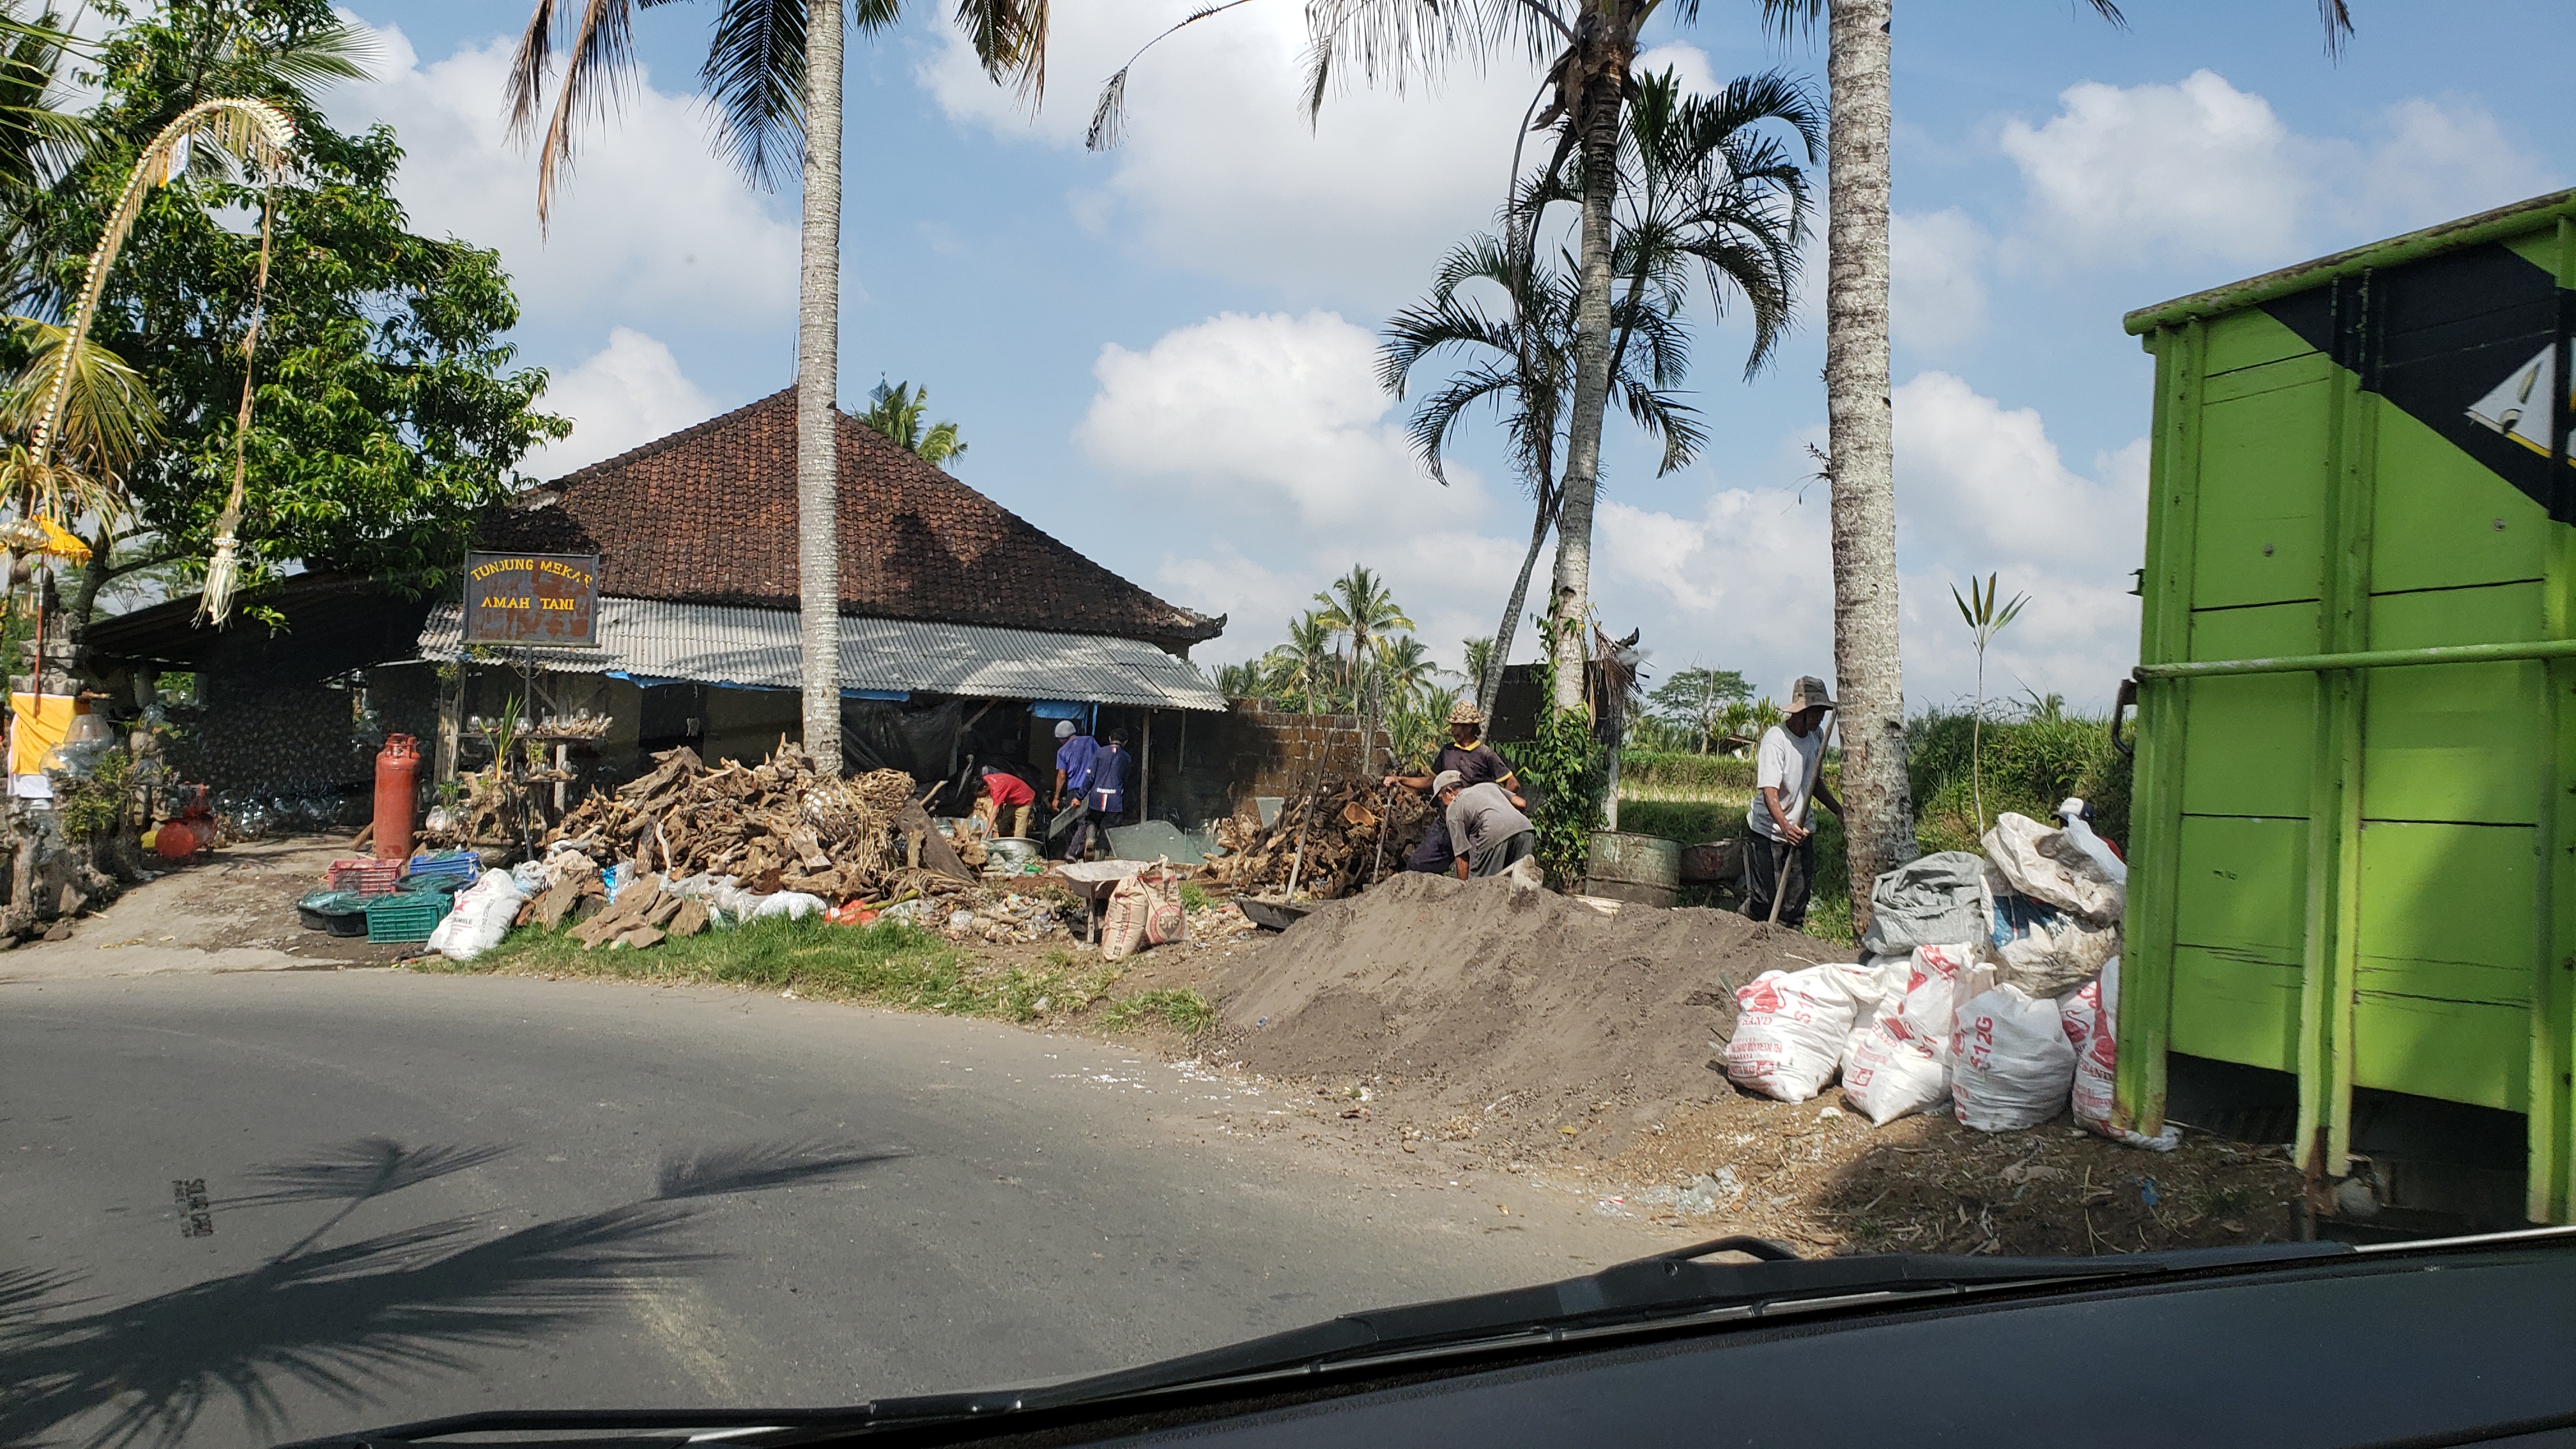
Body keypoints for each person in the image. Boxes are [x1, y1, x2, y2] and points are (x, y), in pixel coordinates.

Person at [1742, 675, 1842, 928]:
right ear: (1802, 712)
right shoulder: (1776, 740)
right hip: (1769, 830)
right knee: (1764, 901)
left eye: (1823, 712)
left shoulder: (1816, 737)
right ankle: (1740, 922)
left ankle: (1788, 947)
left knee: (1795, 905)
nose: (1820, 717)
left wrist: (1838, 810)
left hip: (1800, 828)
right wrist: (1785, 827)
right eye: (1816, 712)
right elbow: (1770, 792)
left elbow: (1814, 782)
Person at [1384, 702, 1524, 875]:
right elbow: (1431, 782)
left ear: (1468, 728)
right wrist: (1400, 780)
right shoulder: (1447, 752)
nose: (1451, 730)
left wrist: (1499, 805)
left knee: (1471, 875)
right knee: (1418, 864)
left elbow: (1513, 783)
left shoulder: (1485, 754)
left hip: (1473, 827)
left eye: (1455, 726)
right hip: (1446, 823)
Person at [1434, 769, 1535, 880]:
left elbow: (1462, 858)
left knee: (1481, 885)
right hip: (1525, 828)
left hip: (1494, 831)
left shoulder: (1454, 808)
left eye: (1440, 799)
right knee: (1519, 880)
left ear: (1450, 792)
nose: (1442, 806)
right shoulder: (1488, 787)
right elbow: (1521, 803)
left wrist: (1463, 891)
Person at [1068, 728, 1132, 859]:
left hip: (1097, 796)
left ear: (1110, 739)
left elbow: (1090, 777)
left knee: (1092, 820)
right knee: (1109, 828)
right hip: (1114, 799)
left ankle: (1090, 838)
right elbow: (1126, 781)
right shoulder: (1126, 758)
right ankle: (1101, 858)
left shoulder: (1099, 753)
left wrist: (1079, 796)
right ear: (1125, 742)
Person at [1048, 719, 1098, 859]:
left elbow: (1062, 775)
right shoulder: (1090, 741)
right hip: (1091, 788)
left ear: (1062, 738)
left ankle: (1072, 853)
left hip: (1074, 791)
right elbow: (1100, 759)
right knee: (1087, 820)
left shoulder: (1062, 751)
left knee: (1072, 822)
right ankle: (1084, 850)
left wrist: (1056, 798)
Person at [975, 765, 1036, 840]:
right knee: (1001, 826)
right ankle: (1003, 843)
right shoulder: (985, 779)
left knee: (1019, 834)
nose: (979, 796)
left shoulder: (997, 789)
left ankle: (1016, 848)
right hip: (1012, 801)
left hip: (1025, 800)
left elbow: (994, 814)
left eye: (979, 794)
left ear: (984, 789)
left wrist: (985, 835)